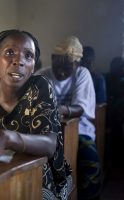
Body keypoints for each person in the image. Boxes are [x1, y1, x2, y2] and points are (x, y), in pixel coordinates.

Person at [0, 29, 72, 200]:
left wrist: (6, 137)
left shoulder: (40, 86)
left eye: (28, 56)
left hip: (40, 174)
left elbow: (50, 144)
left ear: (33, 66)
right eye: (10, 52)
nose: (19, 61)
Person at [37, 36, 102, 200]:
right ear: (52, 59)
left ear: (77, 65)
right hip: (48, 130)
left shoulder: (82, 74)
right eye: (57, 66)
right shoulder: (43, 75)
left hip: (80, 129)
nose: (60, 73)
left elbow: (80, 108)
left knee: (90, 161)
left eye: (67, 69)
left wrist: (59, 109)